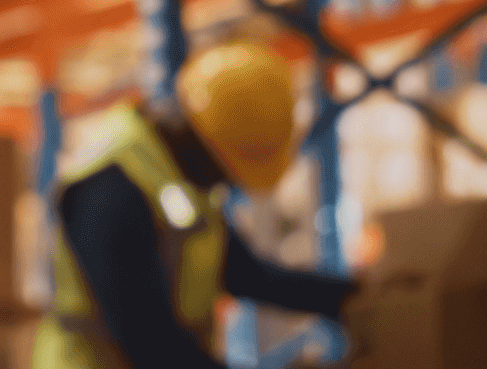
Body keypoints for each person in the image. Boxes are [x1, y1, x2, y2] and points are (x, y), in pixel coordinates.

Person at [36, 40, 356, 369]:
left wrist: (353, 297)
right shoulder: (110, 191)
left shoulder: (180, 183)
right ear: (204, 143)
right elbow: (148, 342)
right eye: (226, 171)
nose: (227, 184)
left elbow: (247, 276)